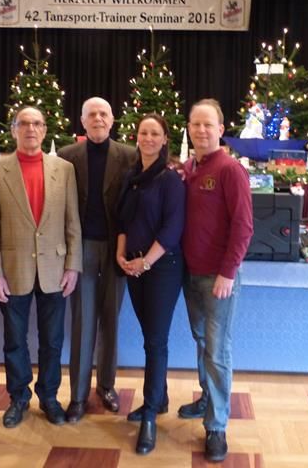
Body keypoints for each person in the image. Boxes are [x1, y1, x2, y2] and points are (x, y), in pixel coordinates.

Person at [0, 107, 82, 428]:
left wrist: (73, 266)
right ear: (14, 130)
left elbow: (72, 223)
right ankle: (19, 398)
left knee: (52, 341)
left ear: (44, 129)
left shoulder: (64, 169)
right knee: (14, 340)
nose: (30, 129)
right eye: (23, 124)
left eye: (37, 123)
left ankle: (49, 396)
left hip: (55, 269)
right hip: (13, 271)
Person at [178, 98, 253, 463]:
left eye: (209, 125)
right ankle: (207, 397)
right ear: (189, 129)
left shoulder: (230, 170)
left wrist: (228, 272)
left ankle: (217, 426)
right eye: (196, 124)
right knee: (201, 340)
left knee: (217, 350)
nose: (202, 130)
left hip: (218, 278)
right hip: (189, 274)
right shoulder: (188, 169)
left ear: (221, 130)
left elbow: (243, 226)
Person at [58, 97, 136, 422]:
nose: (98, 118)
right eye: (92, 114)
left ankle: (106, 385)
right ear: (82, 120)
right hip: (83, 248)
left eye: (104, 113)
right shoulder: (66, 157)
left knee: (112, 320)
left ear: (113, 118)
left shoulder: (130, 156)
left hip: (117, 247)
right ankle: (77, 396)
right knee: (82, 320)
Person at [115, 114, 185, 455]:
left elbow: (172, 229)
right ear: (137, 136)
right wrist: (121, 256)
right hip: (134, 267)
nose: (148, 138)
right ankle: (160, 398)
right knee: (149, 337)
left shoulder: (170, 179)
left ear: (164, 138)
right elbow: (123, 220)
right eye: (143, 132)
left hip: (162, 268)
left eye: (155, 133)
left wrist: (146, 261)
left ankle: (150, 418)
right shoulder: (132, 176)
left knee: (155, 342)